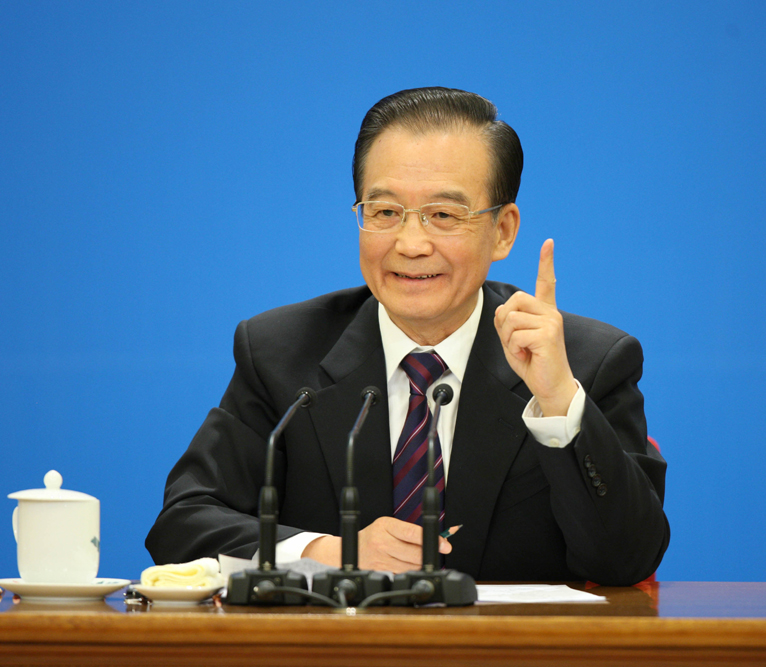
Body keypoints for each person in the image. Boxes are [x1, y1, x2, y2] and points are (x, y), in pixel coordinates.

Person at [146, 87, 669, 585]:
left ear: (503, 231)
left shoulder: (587, 362)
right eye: (385, 212)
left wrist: (557, 401)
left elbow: (627, 557)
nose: (410, 243)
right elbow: (182, 525)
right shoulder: (281, 353)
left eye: (443, 215)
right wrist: (326, 553)